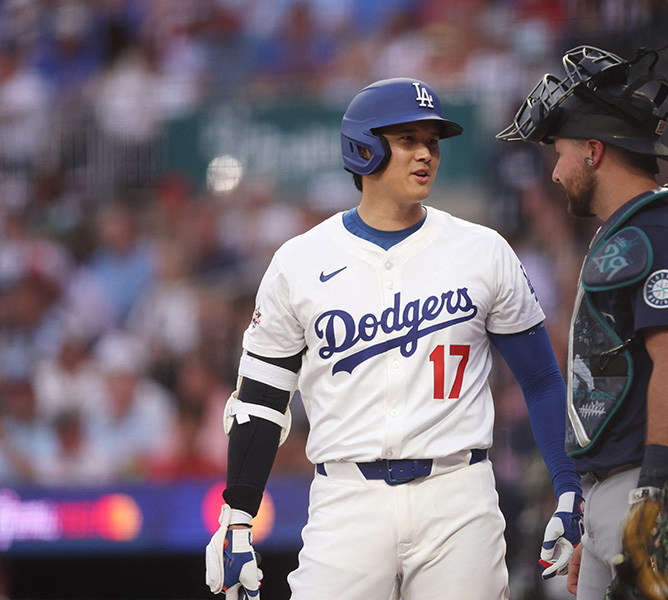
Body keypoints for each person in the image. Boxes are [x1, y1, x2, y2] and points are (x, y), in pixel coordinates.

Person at [205, 77, 583, 600]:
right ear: (364, 149)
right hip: (347, 499)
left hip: (458, 495)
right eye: (408, 139)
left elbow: (542, 379)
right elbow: (261, 400)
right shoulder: (299, 261)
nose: (426, 154)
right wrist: (238, 514)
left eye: (432, 141)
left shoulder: (483, 250)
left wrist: (568, 485)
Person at [497, 45, 668, 599]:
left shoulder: (659, 234)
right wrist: (607, 512)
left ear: (594, 152)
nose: (554, 173)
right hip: (631, 487)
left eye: (559, 153)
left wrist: (648, 497)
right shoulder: (638, 230)